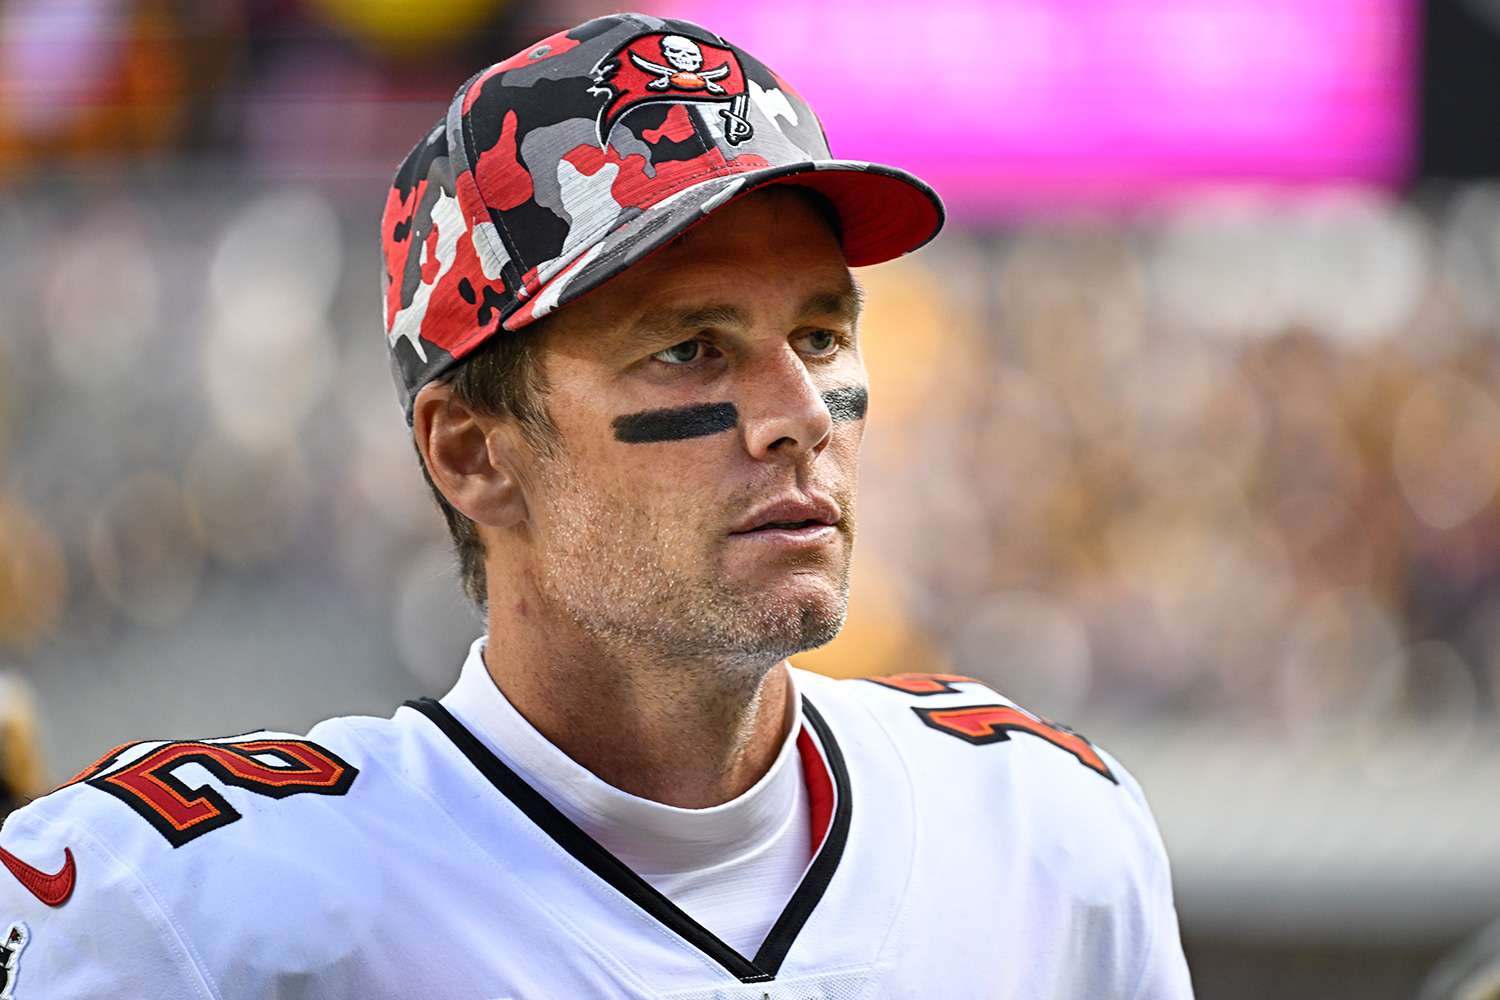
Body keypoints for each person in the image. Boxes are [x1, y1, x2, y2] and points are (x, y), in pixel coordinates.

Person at [0, 13, 1193, 998]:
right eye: (690, 349)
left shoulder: (1047, 839)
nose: (800, 411)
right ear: (473, 453)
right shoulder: (194, 912)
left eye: (821, 332)